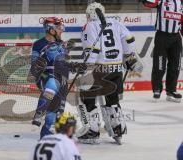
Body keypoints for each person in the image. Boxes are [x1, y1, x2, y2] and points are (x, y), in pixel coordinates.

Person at [77, 2, 143, 144]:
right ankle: (118, 128)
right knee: (112, 99)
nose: (87, 17)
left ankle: (92, 131)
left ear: (91, 14)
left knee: (85, 96)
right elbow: (129, 39)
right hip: (116, 69)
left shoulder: (89, 26)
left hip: (99, 70)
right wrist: (128, 55)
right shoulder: (115, 22)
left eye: (88, 14)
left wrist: (87, 67)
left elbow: (92, 50)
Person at [30, 17, 86, 139]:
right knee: (52, 82)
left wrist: (76, 67)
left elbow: (64, 64)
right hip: (46, 77)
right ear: (51, 30)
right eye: (59, 28)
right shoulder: (38, 44)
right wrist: (38, 63)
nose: (62, 31)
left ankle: (46, 137)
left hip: (62, 80)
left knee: (54, 114)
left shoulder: (62, 44)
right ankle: (39, 114)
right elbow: (33, 69)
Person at [142, 0, 182, 102]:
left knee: (175, 65)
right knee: (159, 65)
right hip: (162, 36)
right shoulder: (162, 0)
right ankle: (157, 89)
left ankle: (171, 90)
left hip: (176, 37)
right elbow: (147, 2)